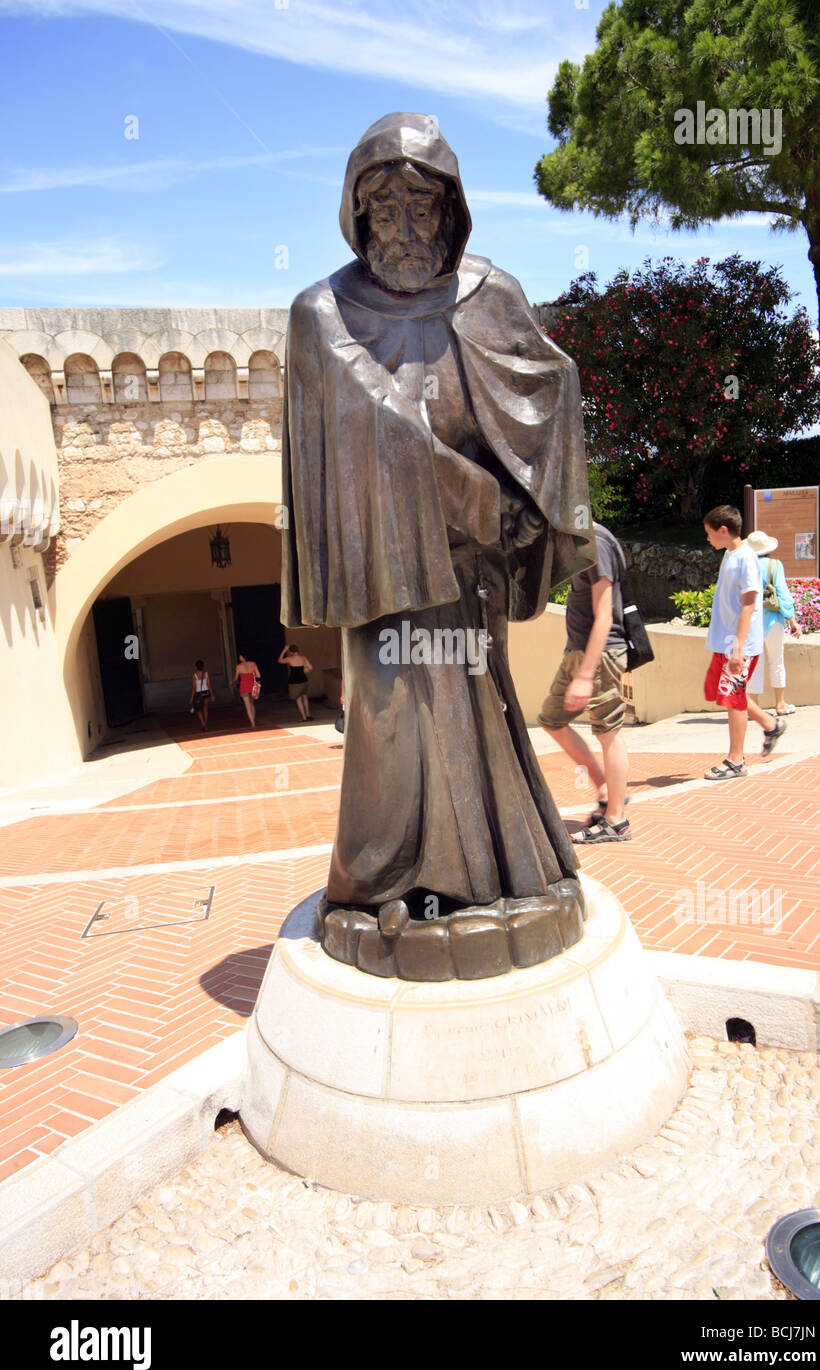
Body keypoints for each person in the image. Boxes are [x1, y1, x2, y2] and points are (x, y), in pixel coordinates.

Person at [280, 112, 595, 930]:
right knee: (387, 721)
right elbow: (367, 417)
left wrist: (523, 500)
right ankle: (381, 884)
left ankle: (494, 872)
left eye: (423, 207)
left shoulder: (489, 295)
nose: (406, 228)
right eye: (385, 211)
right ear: (358, 216)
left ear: (451, 212)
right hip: (385, 565)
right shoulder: (321, 312)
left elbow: (550, 389)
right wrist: (469, 491)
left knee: (478, 707)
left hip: (467, 565)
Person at [538, 523, 631, 843]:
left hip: (600, 655)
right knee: (552, 719)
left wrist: (585, 674)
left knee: (609, 732)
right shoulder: (579, 540)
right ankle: (605, 788)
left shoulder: (597, 541)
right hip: (577, 651)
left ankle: (617, 820)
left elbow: (604, 616)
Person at [702, 505, 786, 780]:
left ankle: (736, 760)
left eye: (709, 533)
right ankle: (770, 725)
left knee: (734, 698)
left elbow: (749, 604)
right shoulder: (730, 554)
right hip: (727, 643)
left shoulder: (746, 558)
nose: (708, 539)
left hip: (739, 645)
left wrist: (738, 648)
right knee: (728, 695)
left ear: (723, 531)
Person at [744, 530, 802, 716]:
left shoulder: (745, 566)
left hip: (751, 622)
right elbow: (783, 593)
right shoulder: (775, 566)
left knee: (754, 665)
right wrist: (792, 619)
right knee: (777, 662)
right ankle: (780, 705)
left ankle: (753, 708)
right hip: (773, 621)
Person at [278, 642, 314, 721]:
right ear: (298, 650)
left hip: (294, 681)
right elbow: (311, 667)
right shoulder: (303, 658)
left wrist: (284, 650)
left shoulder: (289, 659)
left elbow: (280, 660)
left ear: (290, 652)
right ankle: (308, 715)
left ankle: (304, 717)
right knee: (305, 697)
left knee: (298, 699)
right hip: (304, 679)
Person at [232, 652, 261, 730]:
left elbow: (236, 678)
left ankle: (252, 723)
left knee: (247, 706)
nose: (239, 657)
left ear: (243, 657)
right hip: (252, 687)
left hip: (244, 687)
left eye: (240, 656)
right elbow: (258, 675)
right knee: (252, 704)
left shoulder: (239, 667)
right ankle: (253, 719)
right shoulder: (253, 664)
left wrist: (232, 681)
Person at [189, 659, 213, 732]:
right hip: (206, 693)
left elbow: (194, 687)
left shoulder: (194, 675)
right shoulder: (206, 674)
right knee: (205, 708)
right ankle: (205, 723)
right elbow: (209, 685)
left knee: (198, 709)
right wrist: (212, 694)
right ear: (203, 666)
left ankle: (202, 723)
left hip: (198, 693)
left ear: (196, 667)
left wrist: (191, 697)